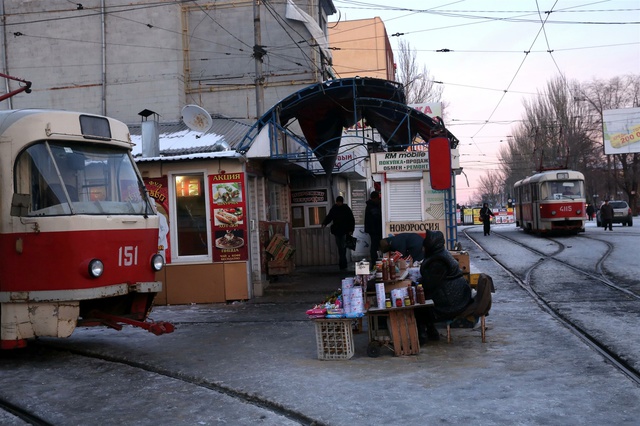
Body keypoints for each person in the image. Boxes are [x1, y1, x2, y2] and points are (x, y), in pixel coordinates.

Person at [414, 230, 473, 344]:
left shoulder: (439, 261)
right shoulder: (440, 254)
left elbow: (430, 284)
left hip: (452, 301)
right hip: (456, 296)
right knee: (422, 301)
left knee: (419, 305)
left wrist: (417, 285)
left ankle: (422, 336)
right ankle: (432, 332)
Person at [322, 196, 355, 270]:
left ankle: (342, 263)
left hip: (342, 231)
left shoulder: (342, 209)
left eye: (339, 202)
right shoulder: (338, 209)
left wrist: (351, 230)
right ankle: (343, 263)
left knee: (342, 247)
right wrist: (325, 223)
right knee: (341, 248)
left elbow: (351, 220)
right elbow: (329, 217)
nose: (338, 203)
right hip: (340, 231)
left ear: (341, 202)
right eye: (337, 202)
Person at [364, 191, 383, 262]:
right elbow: (377, 217)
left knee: (374, 246)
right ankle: (375, 262)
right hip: (375, 230)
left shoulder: (370, 205)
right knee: (375, 246)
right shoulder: (373, 206)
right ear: (375, 198)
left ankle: (375, 261)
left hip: (373, 230)